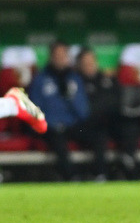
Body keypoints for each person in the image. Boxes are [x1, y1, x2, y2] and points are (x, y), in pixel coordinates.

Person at [29, 41, 104, 181]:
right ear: (51, 57)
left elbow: (83, 111)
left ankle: (99, 175)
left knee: (98, 136)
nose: (61, 59)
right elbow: (34, 110)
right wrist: (52, 123)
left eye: (64, 55)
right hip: (51, 127)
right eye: (58, 55)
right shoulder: (41, 79)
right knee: (58, 141)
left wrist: (70, 96)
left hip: (73, 125)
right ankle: (72, 177)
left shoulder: (74, 78)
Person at [77, 46, 137, 179]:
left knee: (130, 126)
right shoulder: (76, 81)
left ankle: (128, 165)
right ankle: (100, 174)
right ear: (79, 65)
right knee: (100, 134)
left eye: (92, 61)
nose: (90, 65)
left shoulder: (107, 79)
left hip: (111, 120)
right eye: (85, 63)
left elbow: (119, 99)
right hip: (90, 124)